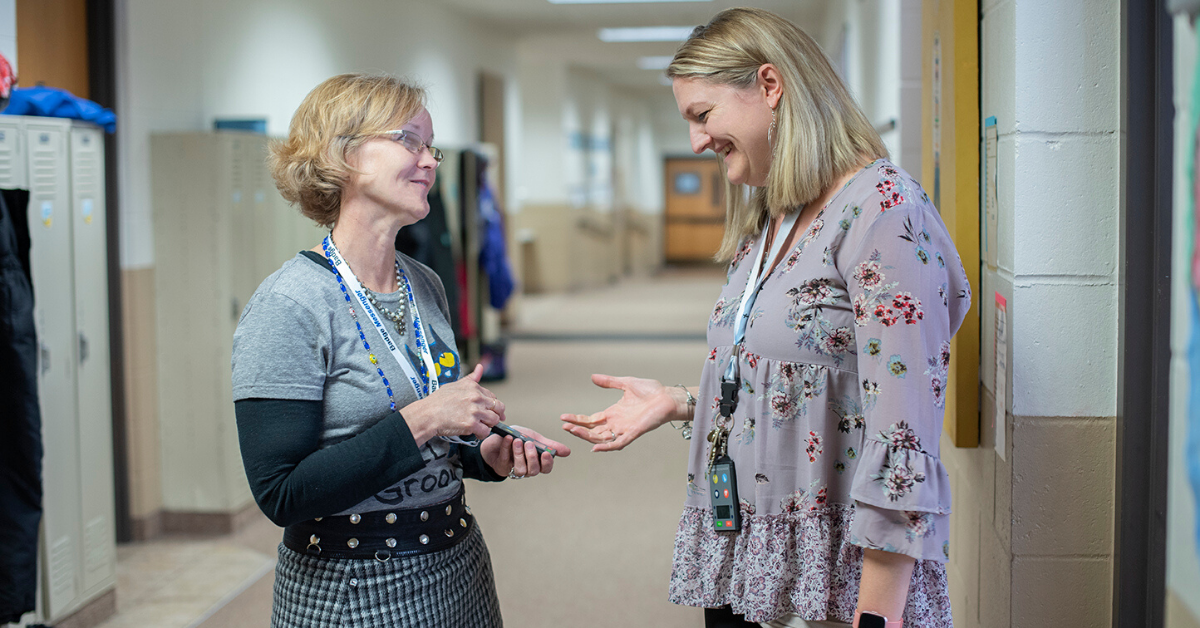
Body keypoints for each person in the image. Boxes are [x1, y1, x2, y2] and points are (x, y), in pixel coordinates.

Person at [561, 8, 968, 628]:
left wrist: (877, 616)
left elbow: (901, 438)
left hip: (832, 582)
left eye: (704, 115)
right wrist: (679, 401)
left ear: (770, 87)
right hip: (749, 559)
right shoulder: (779, 212)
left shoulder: (883, 212)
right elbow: (802, 382)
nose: (696, 141)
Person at [232, 73, 568, 628]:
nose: (430, 161)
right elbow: (282, 493)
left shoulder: (425, 284)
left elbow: (438, 442)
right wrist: (425, 417)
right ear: (340, 153)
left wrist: (483, 455)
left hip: (455, 565)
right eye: (408, 140)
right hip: (350, 584)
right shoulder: (290, 303)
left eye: (429, 145)